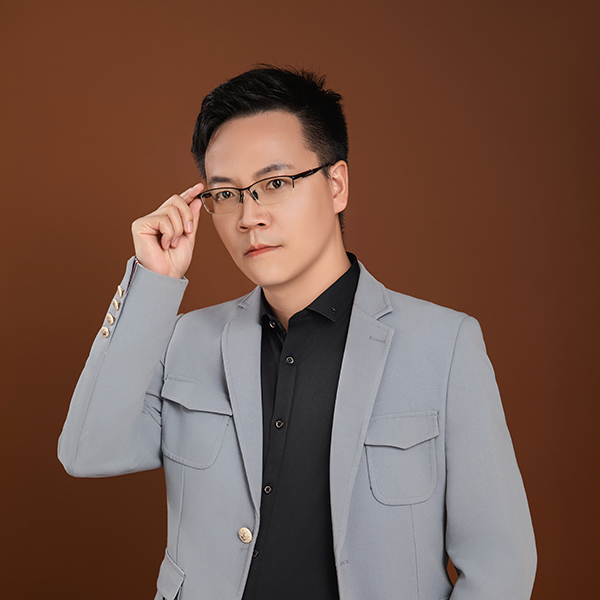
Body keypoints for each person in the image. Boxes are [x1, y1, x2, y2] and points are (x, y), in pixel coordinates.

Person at [58, 66, 537, 600]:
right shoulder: (183, 340)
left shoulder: (444, 347)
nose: (249, 216)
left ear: (336, 185)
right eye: (226, 194)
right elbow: (87, 453)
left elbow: (500, 565)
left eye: (275, 184)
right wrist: (153, 284)